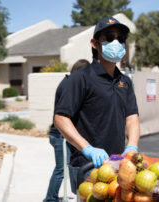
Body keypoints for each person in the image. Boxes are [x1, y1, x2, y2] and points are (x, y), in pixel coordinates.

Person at [53, 16, 140, 194]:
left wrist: (132, 146)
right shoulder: (81, 78)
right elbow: (61, 118)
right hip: (88, 167)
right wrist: (88, 149)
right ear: (95, 43)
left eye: (120, 38)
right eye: (109, 37)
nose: (116, 42)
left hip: (118, 166)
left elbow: (132, 117)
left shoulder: (125, 82)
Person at [44, 59, 90, 202]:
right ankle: (50, 199)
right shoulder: (69, 85)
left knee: (64, 168)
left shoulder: (68, 83)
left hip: (59, 134)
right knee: (61, 169)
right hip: (59, 135)